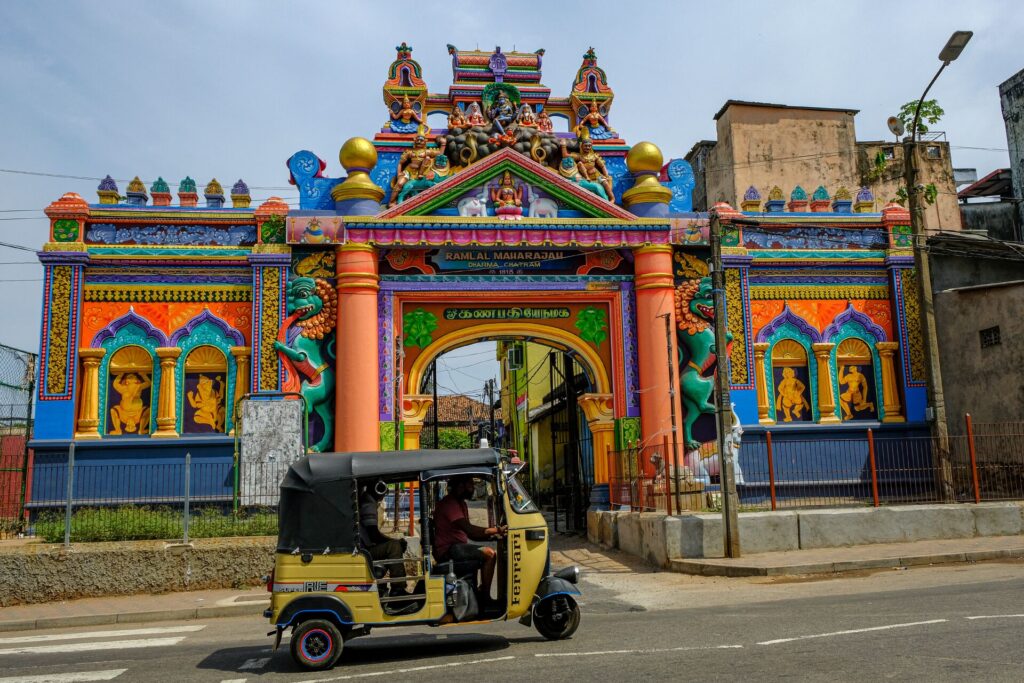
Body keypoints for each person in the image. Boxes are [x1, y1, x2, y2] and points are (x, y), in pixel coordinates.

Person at [433, 475, 506, 600]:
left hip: (457, 548)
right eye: (470, 485)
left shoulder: (460, 503)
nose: (473, 488)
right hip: (449, 550)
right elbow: (471, 531)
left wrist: (494, 536)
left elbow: (471, 534)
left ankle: (477, 593)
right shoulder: (450, 504)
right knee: (490, 554)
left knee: (479, 552)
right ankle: (485, 597)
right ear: (461, 486)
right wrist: (497, 529)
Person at [358, 479, 407, 596]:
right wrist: (393, 541)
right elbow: (373, 534)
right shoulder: (368, 504)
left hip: (364, 548)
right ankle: (398, 589)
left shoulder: (368, 501)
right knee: (394, 547)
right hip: (364, 551)